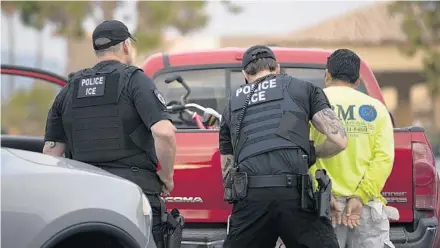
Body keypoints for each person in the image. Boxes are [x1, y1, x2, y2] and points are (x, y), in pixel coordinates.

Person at [43, 20, 177, 248]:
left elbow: (52, 151)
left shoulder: (70, 88)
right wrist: (167, 177)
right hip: (132, 193)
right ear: (126, 46)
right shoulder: (135, 80)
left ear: (96, 50)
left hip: (82, 196)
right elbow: (163, 133)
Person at [219, 45, 348, 248]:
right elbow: (340, 140)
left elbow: (227, 174)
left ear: (245, 74)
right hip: (295, 196)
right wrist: (312, 153)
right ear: (277, 68)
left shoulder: (231, 105)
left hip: (251, 200)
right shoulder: (303, 88)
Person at [309, 49, 395, 248]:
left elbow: (302, 153)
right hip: (365, 210)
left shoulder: (311, 105)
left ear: (327, 75)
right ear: (357, 80)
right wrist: (360, 195)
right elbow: (383, 158)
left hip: (323, 206)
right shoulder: (377, 109)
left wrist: (322, 191)